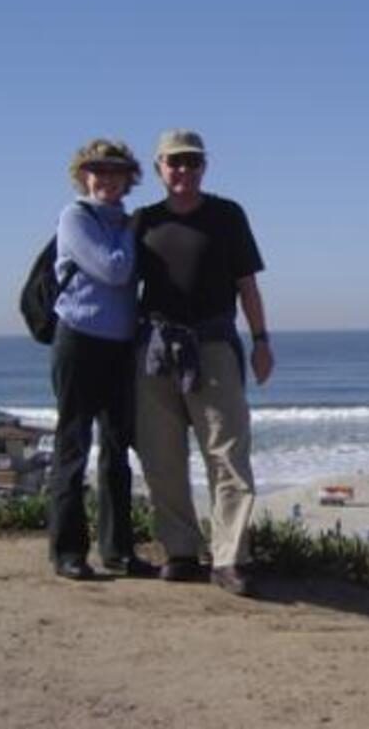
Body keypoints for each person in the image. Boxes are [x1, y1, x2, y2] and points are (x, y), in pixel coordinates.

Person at [133, 128, 274, 595]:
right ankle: (180, 551)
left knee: (227, 454)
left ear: (204, 167)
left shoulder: (227, 215)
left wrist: (261, 341)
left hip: (213, 345)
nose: (184, 170)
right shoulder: (143, 221)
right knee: (162, 456)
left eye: (192, 161)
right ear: (159, 167)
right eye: (174, 162)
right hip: (155, 350)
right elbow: (119, 286)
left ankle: (229, 557)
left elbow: (247, 285)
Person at [49, 138, 154, 580]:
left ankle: (118, 550)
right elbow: (114, 269)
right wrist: (132, 233)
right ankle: (67, 551)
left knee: (116, 448)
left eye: (116, 171)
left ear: (129, 178)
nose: (106, 179)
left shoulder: (127, 222)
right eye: (98, 170)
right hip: (79, 339)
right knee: (72, 445)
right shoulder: (75, 217)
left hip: (119, 344)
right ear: (83, 175)